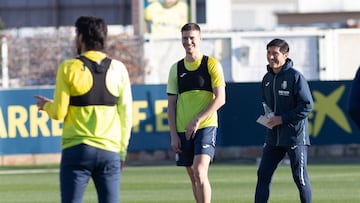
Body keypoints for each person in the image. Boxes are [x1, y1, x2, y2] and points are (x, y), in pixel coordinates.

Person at [34, 16, 133, 203]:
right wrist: (122, 152)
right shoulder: (119, 69)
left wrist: (45, 106)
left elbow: (59, 113)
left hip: (78, 150)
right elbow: (126, 115)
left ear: (80, 37)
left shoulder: (68, 68)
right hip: (109, 150)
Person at [166, 23, 226, 203]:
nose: (189, 41)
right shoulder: (176, 69)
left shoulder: (211, 64)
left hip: (206, 125)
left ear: (200, 38)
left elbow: (220, 98)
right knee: (193, 176)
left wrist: (198, 119)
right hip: (183, 129)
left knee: (200, 171)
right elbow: (171, 105)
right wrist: (173, 135)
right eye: (185, 38)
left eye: (192, 37)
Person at [254, 38, 313, 203]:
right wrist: (267, 117)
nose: (271, 57)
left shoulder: (295, 77)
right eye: (268, 53)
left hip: (294, 137)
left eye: (275, 53)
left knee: (299, 177)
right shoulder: (266, 78)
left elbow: (307, 106)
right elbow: (266, 104)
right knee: (263, 175)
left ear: (286, 55)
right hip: (273, 138)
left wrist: (283, 119)